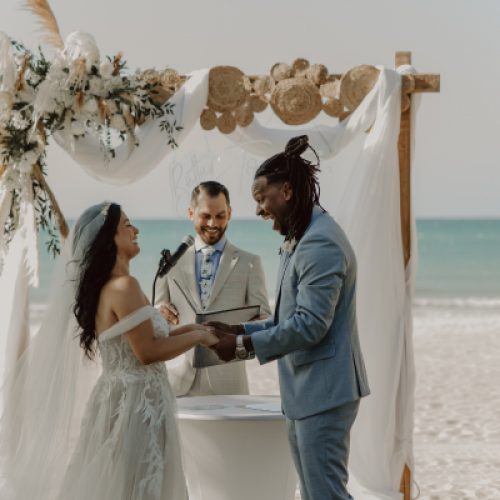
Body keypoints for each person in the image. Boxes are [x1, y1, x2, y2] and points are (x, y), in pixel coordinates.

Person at [0, 202, 219, 500]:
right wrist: (198, 340)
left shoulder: (116, 286)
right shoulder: (124, 286)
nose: (136, 230)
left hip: (130, 397)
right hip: (135, 402)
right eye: (127, 224)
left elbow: (153, 339)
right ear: (109, 238)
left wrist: (198, 330)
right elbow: (147, 352)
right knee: (136, 484)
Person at [207, 136, 371, 500]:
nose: (259, 210)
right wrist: (236, 329)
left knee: (325, 494)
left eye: (262, 199)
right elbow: (288, 318)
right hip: (307, 392)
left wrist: (238, 347)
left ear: (288, 191)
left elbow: (311, 325)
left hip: (324, 392)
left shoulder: (320, 242)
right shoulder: (301, 237)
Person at [154, 181, 272, 396]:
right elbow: (155, 327)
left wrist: (238, 332)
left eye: (220, 216)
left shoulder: (250, 263)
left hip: (230, 384)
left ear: (229, 213)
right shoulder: (170, 263)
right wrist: (157, 311)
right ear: (191, 213)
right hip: (177, 383)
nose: (213, 223)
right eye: (205, 216)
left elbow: (266, 322)